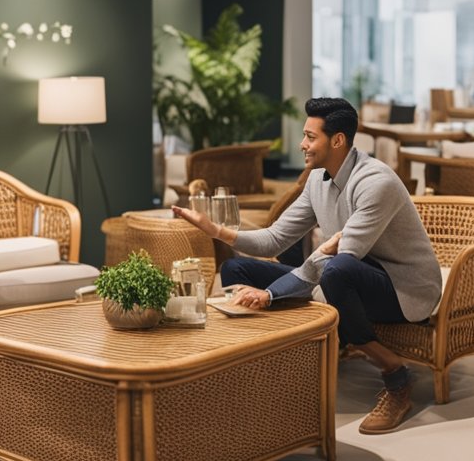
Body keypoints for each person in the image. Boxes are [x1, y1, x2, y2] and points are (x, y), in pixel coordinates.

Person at [173, 97, 441, 433]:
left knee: (336, 270)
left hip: (404, 290)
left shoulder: (376, 182)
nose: (302, 144)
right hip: (343, 275)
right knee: (236, 271)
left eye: (310, 137)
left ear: (338, 140)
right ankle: (265, 374)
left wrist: (271, 295)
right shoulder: (318, 180)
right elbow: (274, 239)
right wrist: (216, 230)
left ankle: (396, 378)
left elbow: (342, 259)